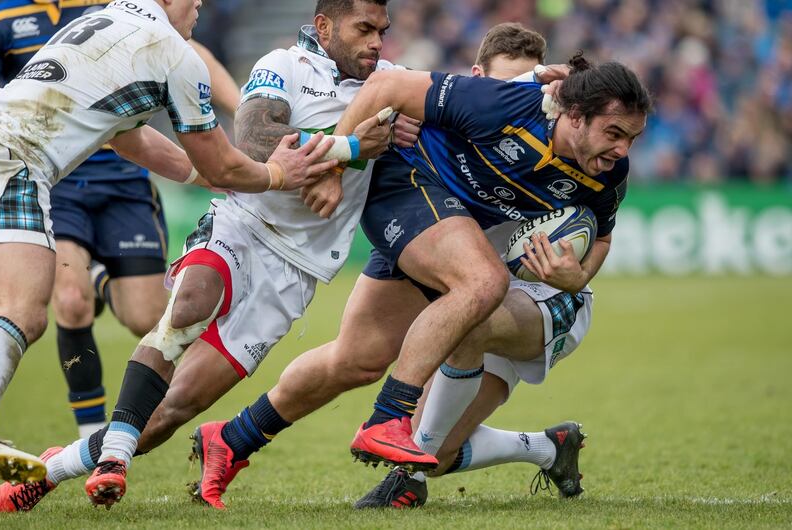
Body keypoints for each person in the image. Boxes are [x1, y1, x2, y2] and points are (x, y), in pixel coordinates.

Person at [0, 0, 402, 512]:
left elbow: (133, 138)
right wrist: (345, 151)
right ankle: (113, 454)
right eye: (364, 28)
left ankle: (50, 471)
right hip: (243, 224)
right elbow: (251, 143)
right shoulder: (280, 65)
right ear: (324, 25)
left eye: (382, 31)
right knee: (184, 308)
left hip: (300, 268)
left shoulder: (393, 82)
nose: (376, 41)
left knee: (171, 409)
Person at [178, 23, 596, 511]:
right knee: (353, 358)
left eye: (529, 91)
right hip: (439, 247)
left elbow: (598, 221)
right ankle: (232, 439)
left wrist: (579, 273)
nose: (516, 101)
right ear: (477, 76)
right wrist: (361, 146)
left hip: (531, 297)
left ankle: (405, 446)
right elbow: (381, 98)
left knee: (436, 438)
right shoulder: (459, 105)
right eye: (503, 86)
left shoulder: (568, 143)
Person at [0, 0, 242, 442]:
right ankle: (90, 434)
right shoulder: (2, 15)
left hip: (121, 180)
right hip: (49, 173)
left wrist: (242, 111)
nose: (200, 2)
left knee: (144, 316)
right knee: (65, 301)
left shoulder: (113, 8)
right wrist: (269, 175)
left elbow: (188, 59)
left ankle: (98, 273)